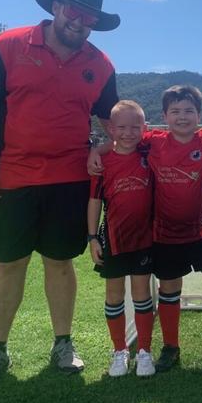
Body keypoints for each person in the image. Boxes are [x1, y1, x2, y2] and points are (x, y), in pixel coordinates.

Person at [0, 0, 120, 386]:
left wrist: (105, 147)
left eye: (89, 17)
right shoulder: (8, 45)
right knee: (9, 264)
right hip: (12, 178)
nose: (80, 22)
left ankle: (63, 344)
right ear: (55, 7)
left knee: (60, 262)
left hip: (69, 179)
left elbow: (117, 124)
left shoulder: (100, 64)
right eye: (74, 11)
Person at [89, 85, 202, 372]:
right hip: (164, 234)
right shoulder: (152, 142)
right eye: (176, 112)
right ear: (164, 116)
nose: (182, 117)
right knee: (170, 289)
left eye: (189, 111)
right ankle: (170, 347)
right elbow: (122, 142)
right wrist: (97, 149)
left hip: (200, 230)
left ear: (199, 115)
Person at [87, 100, 156, 377]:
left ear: (145, 128)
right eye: (122, 127)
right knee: (114, 295)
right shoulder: (102, 162)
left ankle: (145, 351)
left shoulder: (150, 154)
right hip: (113, 239)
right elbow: (94, 202)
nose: (128, 133)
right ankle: (119, 350)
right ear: (111, 129)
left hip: (144, 239)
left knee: (141, 294)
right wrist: (92, 237)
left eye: (134, 127)